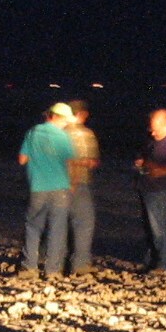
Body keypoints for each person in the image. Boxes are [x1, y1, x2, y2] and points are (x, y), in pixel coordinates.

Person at [17, 103, 76, 280]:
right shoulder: (64, 137)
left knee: (33, 227)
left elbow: (22, 159)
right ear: (55, 117)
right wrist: (72, 183)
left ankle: (29, 267)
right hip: (60, 187)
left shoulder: (33, 133)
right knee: (57, 229)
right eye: (64, 120)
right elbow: (70, 162)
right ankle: (52, 270)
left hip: (38, 186)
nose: (66, 124)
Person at [133, 108, 166, 273]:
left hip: (163, 189)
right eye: (151, 128)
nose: (152, 132)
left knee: (160, 227)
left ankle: (164, 264)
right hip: (147, 187)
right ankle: (152, 261)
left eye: (155, 128)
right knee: (150, 227)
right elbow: (145, 155)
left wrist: (161, 172)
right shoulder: (153, 139)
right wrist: (141, 162)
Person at [63, 100, 100, 275]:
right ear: (81, 114)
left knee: (58, 223)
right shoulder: (83, 134)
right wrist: (84, 164)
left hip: (54, 183)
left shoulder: (58, 131)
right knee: (84, 222)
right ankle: (80, 263)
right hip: (78, 183)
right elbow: (90, 160)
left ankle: (55, 261)